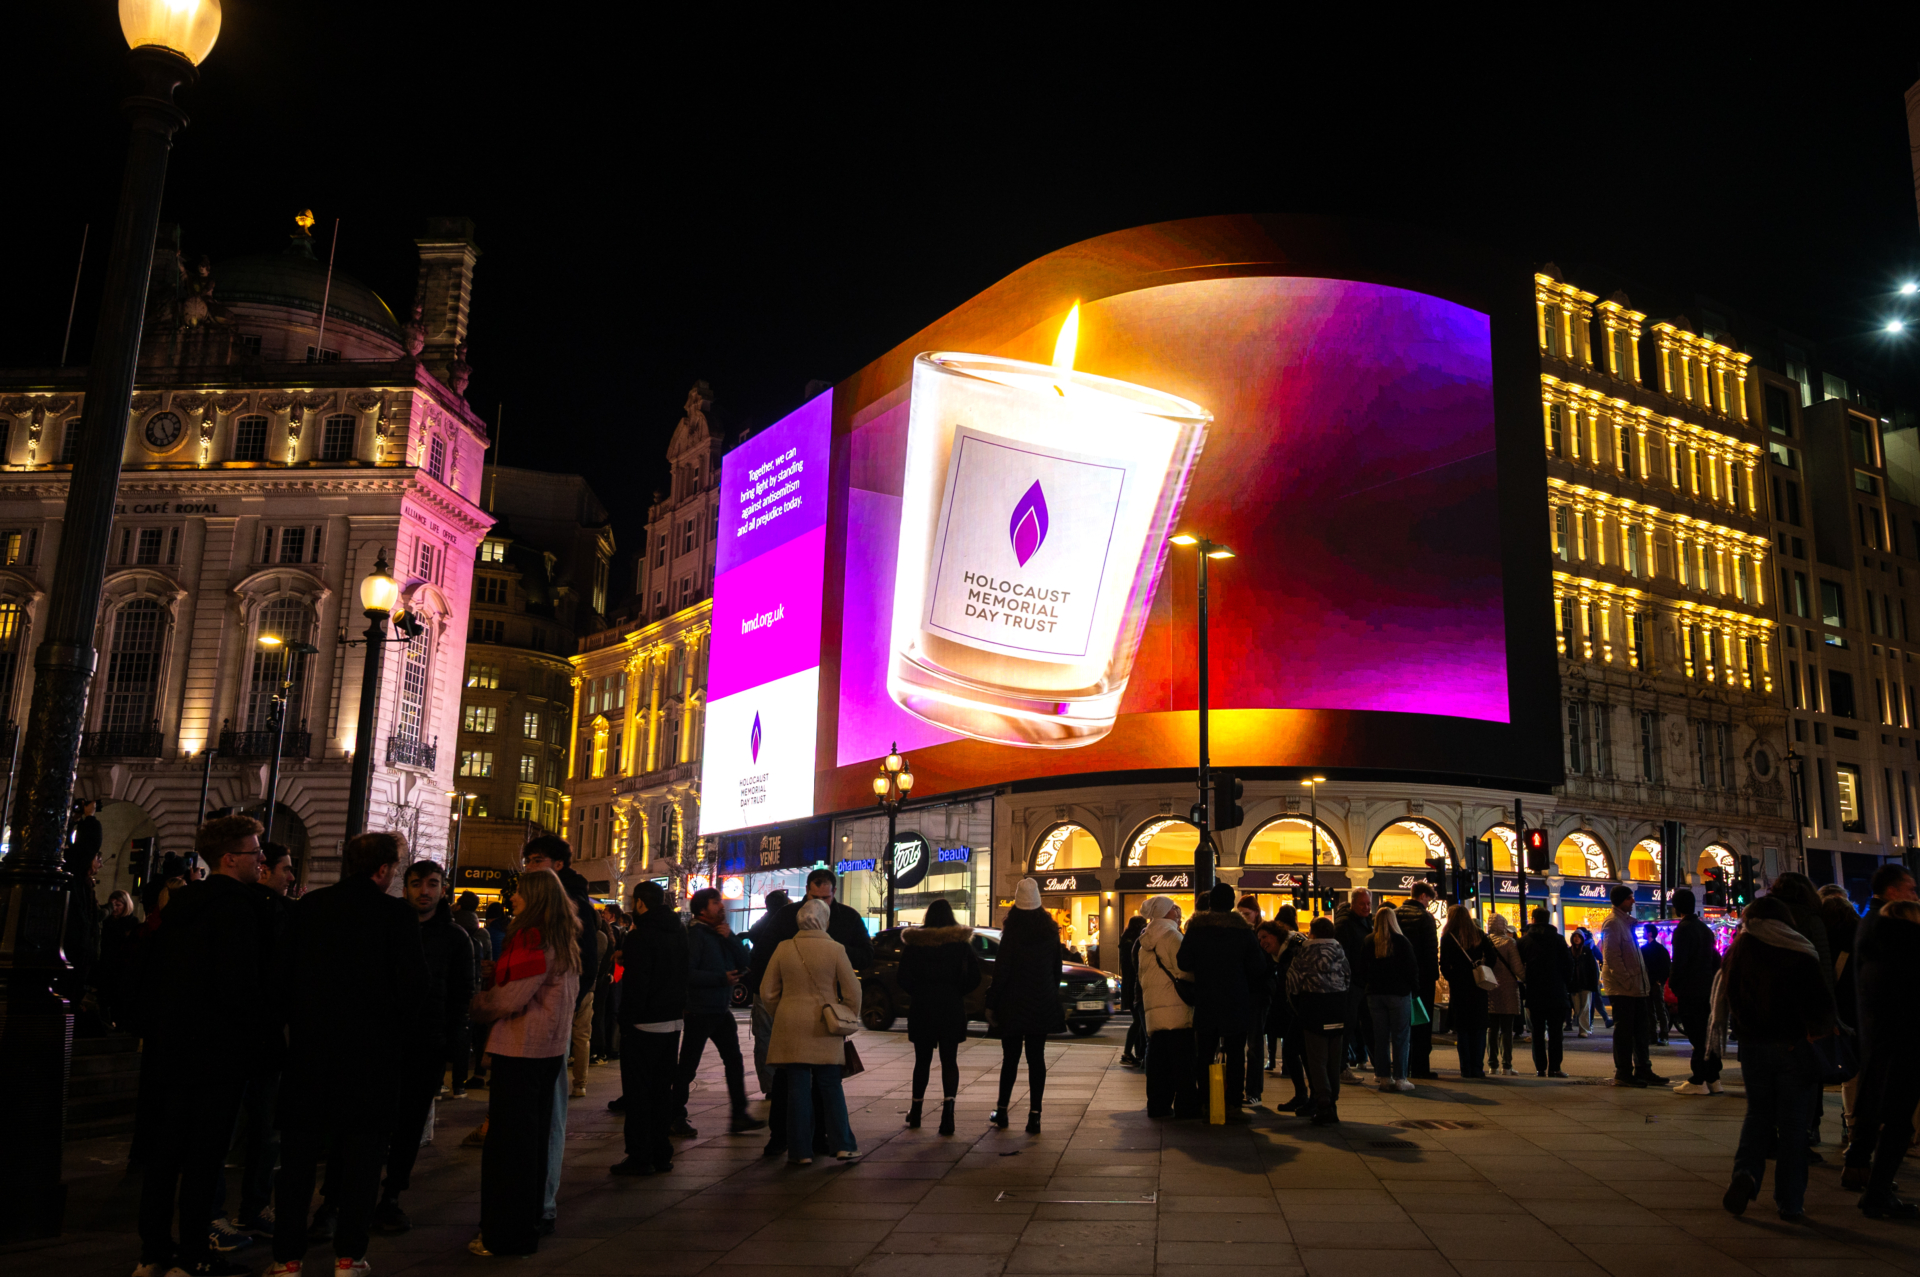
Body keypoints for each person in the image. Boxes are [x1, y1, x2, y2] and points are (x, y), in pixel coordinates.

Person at [267, 832, 426, 1277]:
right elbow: (412, 990)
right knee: (361, 1163)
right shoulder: (396, 915)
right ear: (382, 870)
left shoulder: (310, 908)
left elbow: (280, 981)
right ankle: (348, 1256)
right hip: (372, 1058)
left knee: (297, 1163)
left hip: (312, 1054)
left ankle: (287, 1258)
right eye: (394, 868)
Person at [134, 816, 273, 1277]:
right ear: (230, 858)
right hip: (218, 1054)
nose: (262, 860)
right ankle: (194, 1254)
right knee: (204, 1157)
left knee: (165, 1154)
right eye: (256, 853)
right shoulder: (239, 909)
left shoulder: (178, 908)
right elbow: (241, 987)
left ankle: (153, 1251)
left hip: (171, 1051)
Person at [466, 869, 581, 1256]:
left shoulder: (533, 937)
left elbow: (510, 999)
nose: (512, 899)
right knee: (530, 1145)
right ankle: (526, 1223)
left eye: (519, 893)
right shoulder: (563, 939)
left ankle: (505, 1234)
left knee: (508, 1149)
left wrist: (477, 1006)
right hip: (547, 1051)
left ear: (535, 898)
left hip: (521, 1050)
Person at [1712, 895, 1837, 1222]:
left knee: (1758, 1115)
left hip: (1753, 1049)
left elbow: (1732, 1005)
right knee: (1795, 1127)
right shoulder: (1800, 951)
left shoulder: (1737, 953)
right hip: (1793, 1047)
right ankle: (1790, 1202)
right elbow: (1821, 1007)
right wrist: (1812, 1033)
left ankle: (1745, 1175)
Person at [373, 861, 475, 1235]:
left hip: (427, 1042)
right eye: (416, 884)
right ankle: (345, 1198)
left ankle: (392, 1195)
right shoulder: (389, 931)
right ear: (405, 889)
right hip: (385, 1041)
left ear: (443, 890)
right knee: (373, 1123)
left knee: (410, 1124)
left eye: (432, 884)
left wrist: (452, 1041)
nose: (424, 891)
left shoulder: (455, 938)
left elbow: (462, 994)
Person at [747, 871, 871, 1154]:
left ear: (834, 892)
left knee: (806, 1081)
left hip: (822, 1015)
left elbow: (865, 956)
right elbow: (762, 959)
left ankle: (807, 1144)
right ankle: (786, 1138)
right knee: (798, 1081)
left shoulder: (846, 919)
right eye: (815, 898)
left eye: (825, 897)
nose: (820, 903)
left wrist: (784, 1008)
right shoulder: (788, 917)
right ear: (806, 891)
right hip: (817, 1012)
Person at [519, 837, 597, 1235]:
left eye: (538, 860)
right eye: (528, 860)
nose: (531, 866)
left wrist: (563, 1007)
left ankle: (544, 1201)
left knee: (551, 1111)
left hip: (551, 1020)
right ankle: (531, 1197)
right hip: (529, 1023)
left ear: (560, 864)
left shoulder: (572, 907)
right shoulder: (538, 903)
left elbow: (583, 967)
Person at [1843, 865, 1920, 1213]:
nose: (1915, 895)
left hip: (1878, 1036)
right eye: (1911, 890)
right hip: (1901, 1041)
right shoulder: (1898, 938)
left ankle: (1863, 1173)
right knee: (1898, 1119)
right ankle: (1875, 1191)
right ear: (1893, 892)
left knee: (1878, 1110)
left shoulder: (1870, 927)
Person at [673, 886, 765, 1135]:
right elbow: (687, 973)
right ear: (702, 910)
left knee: (734, 1062)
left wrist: (731, 938)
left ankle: (739, 1114)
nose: (721, 906)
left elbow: (746, 961)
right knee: (689, 1065)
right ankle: (674, 1115)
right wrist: (719, 978)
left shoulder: (719, 933)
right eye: (715, 903)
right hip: (700, 1010)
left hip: (720, 1010)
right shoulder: (696, 936)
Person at [610, 880, 688, 1176]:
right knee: (662, 1091)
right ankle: (661, 1152)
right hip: (672, 1023)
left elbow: (637, 984)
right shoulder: (679, 932)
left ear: (641, 903)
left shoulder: (640, 936)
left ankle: (640, 1155)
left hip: (643, 1024)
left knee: (638, 1093)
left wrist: (626, 1019)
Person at [1177, 881, 1268, 1118]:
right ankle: (1233, 1103)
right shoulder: (1243, 932)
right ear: (1231, 905)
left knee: (1205, 1053)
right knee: (1236, 1052)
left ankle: (1207, 1100)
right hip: (1236, 999)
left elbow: (1183, 962)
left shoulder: (1197, 930)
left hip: (1206, 999)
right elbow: (1258, 967)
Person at [898, 899, 983, 1135]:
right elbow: (974, 977)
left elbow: (902, 977)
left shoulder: (915, 944)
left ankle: (916, 1111)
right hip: (950, 1007)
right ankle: (948, 1116)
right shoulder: (960, 944)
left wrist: (919, 991)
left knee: (921, 1062)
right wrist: (957, 990)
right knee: (949, 1061)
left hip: (923, 1007)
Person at [988, 878, 1063, 1132]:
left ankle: (1002, 1111)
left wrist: (992, 1002)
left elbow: (1002, 971)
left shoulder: (1012, 933)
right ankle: (1035, 1115)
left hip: (1013, 1003)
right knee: (1036, 1058)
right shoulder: (1051, 932)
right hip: (1041, 1001)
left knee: (1010, 1058)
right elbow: (1056, 971)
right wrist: (1049, 993)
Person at [1285, 916, 1350, 1125]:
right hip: (1337, 1008)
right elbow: (1348, 978)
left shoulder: (1303, 952)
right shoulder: (1340, 952)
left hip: (1313, 1008)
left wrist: (1299, 1007)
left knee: (1317, 1060)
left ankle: (1323, 1102)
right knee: (1334, 1059)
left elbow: (1292, 983)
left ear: (1312, 932)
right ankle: (1334, 1102)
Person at [1137, 897, 1197, 1118]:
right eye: (1173, 908)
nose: (1177, 911)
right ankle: (1186, 1106)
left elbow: (1142, 976)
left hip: (1154, 1009)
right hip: (1176, 1008)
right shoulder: (1172, 936)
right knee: (1182, 1062)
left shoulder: (1144, 941)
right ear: (1165, 912)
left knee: (1158, 1062)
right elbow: (1184, 970)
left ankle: (1157, 1105)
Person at [1597, 885, 1657, 1087]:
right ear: (1621, 900)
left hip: (1635, 986)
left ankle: (1643, 1069)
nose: (1633, 901)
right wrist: (1628, 981)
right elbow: (1612, 957)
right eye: (1630, 898)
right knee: (1625, 1030)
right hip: (1624, 988)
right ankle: (1623, 1072)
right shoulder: (1613, 924)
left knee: (1641, 1028)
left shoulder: (1626, 924)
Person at [1355, 906, 1416, 1091]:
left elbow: (1361, 969)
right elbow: (1412, 970)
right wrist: (1413, 990)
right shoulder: (1402, 941)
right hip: (1398, 995)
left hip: (1375, 995)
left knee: (1380, 1037)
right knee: (1400, 1037)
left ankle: (1383, 1076)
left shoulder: (1368, 941)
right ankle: (1400, 1078)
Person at [1668, 888, 1723, 1096]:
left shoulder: (1683, 929)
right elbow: (1715, 958)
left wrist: (1674, 984)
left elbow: (1679, 962)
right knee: (1708, 1034)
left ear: (1677, 907)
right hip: (1708, 988)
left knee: (1697, 1036)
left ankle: (1698, 1079)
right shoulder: (1704, 928)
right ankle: (1713, 1078)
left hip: (1691, 990)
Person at [744, 888, 792, 1100]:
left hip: (763, 986)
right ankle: (786, 1081)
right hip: (787, 986)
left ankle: (771, 1085)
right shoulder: (789, 923)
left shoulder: (763, 924)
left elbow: (753, 938)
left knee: (764, 1037)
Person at [1438, 905, 1494, 1079]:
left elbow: (1444, 964)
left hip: (1460, 987)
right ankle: (1478, 1067)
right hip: (1478, 985)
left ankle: (1466, 1068)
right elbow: (1492, 955)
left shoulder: (1448, 937)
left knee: (1462, 1030)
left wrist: (1453, 976)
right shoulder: (1478, 934)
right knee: (1478, 1029)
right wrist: (1483, 968)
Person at [1261, 911, 1309, 1109]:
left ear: (1276, 935)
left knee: (1294, 1050)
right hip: (1303, 1008)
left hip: (1304, 1008)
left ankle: (1308, 1097)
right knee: (1300, 1052)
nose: (1262, 942)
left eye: (1264, 937)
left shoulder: (1289, 953)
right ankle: (1309, 1097)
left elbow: (1292, 984)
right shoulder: (1287, 949)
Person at [1517, 907, 1570, 1077]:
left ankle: (1540, 1067)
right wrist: (1564, 983)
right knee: (1556, 1033)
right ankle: (1555, 1067)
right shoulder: (1559, 940)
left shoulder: (1524, 941)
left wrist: (1527, 980)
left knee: (1537, 1032)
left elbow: (1518, 966)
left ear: (1533, 919)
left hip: (1535, 992)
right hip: (1556, 991)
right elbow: (1569, 965)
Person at [1395, 884, 1441, 1078]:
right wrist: (1433, 977)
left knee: (1401, 1025)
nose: (1428, 904)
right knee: (1422, 1023)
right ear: (1423, 896)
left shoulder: (1395, 914)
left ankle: (1401, 1067)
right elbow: (1431, 951)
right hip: (1422, 977)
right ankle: (1420, 1067)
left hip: (1398, 976)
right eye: (1429, 900)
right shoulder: (1425, 918)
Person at [451, 892, 492, 1093]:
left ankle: (442, 1083)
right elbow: (489, 963)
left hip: (453, 989)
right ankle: (471, 1078)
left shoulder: (451, 928)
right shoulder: (483, 934)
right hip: (477, 989)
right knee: (475, 1035)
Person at [1332, 889, 1374, 1080]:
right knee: (1347, 1026)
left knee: (1368, 1024)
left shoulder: (1366, 921)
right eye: (1362, 904)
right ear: (1353, 904)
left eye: (1368, 904)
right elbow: (1342, 956)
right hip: (1351, 983)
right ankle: (1341, 1067)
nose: (1366, 907)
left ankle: (1378, 1063)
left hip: (1363, 981)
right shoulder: (1345, 924)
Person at [1483, 915, 1526, 1075]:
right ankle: (1507, 1065)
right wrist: (1526, 978)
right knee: (1507, 1029)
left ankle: (1492, 1064)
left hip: (1490, 987)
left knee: (1492, 1029)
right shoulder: (1509, 942)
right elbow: (1516, 967)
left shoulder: (1485, 941)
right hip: (1507, 988)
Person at [1243, 905, 1276, 1104]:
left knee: (1254, 1044)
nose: (1243, 917)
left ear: (1256, 914)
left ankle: (1254, 1091)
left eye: (1246, 913)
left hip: (1257, 995)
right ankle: (1249, 1090)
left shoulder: (1261, 936)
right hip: (1248, 994)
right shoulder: (1244, 936)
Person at [1116, 913, 1148, 1067]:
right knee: (1138, 1021)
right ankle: (1128, 1052)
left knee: (1139, 1021)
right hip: (1133, 986)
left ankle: (1136, 1053)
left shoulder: (1126, 941)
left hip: (1128, 986)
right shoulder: (1134, 943)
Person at [1640, 923, 1673, 1046]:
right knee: (1656, 1009)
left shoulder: (1649, 949)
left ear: (1649, 933)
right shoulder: (1659, 949)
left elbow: (1665, 967)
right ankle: (1659, 1035)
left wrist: (1660, 980)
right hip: (1653, 982)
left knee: (1655, 1009)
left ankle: (1657, 1035)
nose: (1643, 933)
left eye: (1645, 931)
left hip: (1652, 983)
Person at [1567, 927, 1600, 1036]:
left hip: (1586, 984)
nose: (1576, 939)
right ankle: (1584, 1027)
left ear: (1582, 938)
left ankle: (1584, 1030)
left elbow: (1593, 969)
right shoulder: (1569, 952)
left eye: (1579, 937)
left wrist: (1594, 983)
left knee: (1585, 1007)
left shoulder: (1587, 951)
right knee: (1577, 1008)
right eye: (1575, 937)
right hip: (1574, 984)